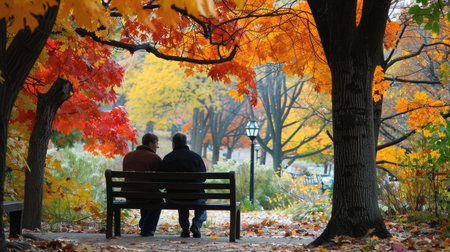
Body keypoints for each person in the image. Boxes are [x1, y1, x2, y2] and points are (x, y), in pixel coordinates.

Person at [162, 132, 207, 238]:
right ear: (186, 143)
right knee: (201, 201)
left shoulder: (168, 158)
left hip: (174, 198)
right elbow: (204, 177)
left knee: (181, 199)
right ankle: (196, 224)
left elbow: (161, 180)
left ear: (173, 144)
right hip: (195, 197)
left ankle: (185, 228)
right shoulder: (196, 157)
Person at [122, 133, 162, 237]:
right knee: (156, 199)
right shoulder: (155, 158)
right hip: (147, 196)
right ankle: (147, 229)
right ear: (150, 143)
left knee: (148, 193)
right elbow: (160, 181)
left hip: (129, 195)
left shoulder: (128, 156)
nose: (157, 146)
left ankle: (144, 226)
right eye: (156, 143)